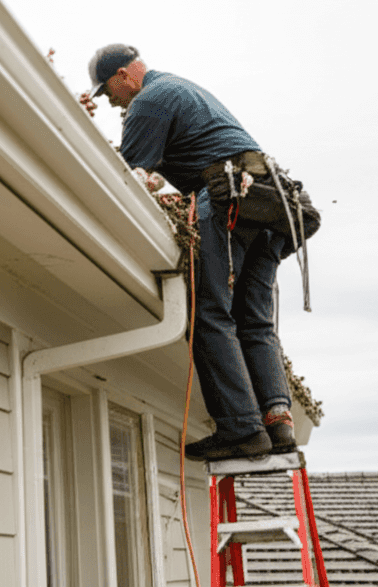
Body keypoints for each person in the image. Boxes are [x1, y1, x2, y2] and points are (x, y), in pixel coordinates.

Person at [83, 44, 295, 461]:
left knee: (209, 312)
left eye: (109, 93)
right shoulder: (181, 90)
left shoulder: (149, 100)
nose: (111, 104)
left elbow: (127, 179)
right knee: (253, 318)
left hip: (228, 200)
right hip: (271, 207)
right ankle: (278, 421)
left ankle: (241, 429)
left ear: (123, 76)